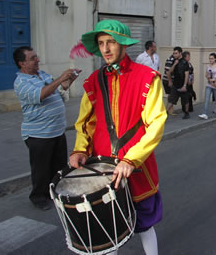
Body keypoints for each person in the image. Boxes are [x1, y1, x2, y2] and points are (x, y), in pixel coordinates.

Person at [69, 20, 166, 255]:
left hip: (135, 164)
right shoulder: (93, 80)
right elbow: (85, 122)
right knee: (107, 227)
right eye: (101, 43)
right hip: (102, 167)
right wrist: (80, 149)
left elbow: (156, 123)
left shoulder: (147, 77)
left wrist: (131, 159)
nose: (106, 49)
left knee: (144, 224)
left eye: (111, 42)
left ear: (122, 44)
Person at [13, 46, 80, 210]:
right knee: (41, 170)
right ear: (22, 63)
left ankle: (55, 193)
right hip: (39, 134)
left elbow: (59, 89)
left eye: (37, 56)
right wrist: (60, 78)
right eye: (32, 58)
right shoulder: (21, 82)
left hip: (57, 131)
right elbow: (41, 94)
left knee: (58, 167)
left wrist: (69, 79)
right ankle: (38, 197)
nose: (38, 60)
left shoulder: (42, 75)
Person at [166, 48, 190, 119]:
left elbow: (187, 74)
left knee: (185, 100)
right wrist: (174, 64)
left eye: (176, 53)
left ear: (180, 53)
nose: (174, 55)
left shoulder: (185, 62)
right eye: (174, 53)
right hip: (175, 83)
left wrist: (185, 85)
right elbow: (169, 71)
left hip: (183, 84)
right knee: (171, 99)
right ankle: (165, 113)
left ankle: (186, 113)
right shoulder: (174, 61)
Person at [198, 53, 216, 120]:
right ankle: (205, 113)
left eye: (212, 58)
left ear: (215, 59)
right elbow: (206, 74)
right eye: (209, 58)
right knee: (206, 99)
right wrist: (208, 78)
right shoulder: (208, 66)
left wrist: (214, 80)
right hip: (209, 85)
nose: (210, 60)